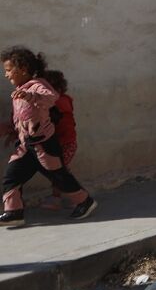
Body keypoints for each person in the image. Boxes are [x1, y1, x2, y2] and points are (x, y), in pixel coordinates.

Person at [0, 47, 96, 226]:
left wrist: (31, 95)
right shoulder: (19, 91)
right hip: (26, 146)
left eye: (7, 70)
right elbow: (22, 119)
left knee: (59, 176)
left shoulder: (38, 85)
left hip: (44, 144)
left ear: (23, 68)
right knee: (11, 176)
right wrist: (8, 129)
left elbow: (51, 97)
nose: (6, 75)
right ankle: (14, 212)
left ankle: (84, 201)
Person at [39, 69, 79, 210]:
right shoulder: (60, 100)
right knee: (60, 172)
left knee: (60, 173)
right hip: (63, 142)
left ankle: (74, 198)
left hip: (66, 143)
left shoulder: (60, 102)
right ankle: (71, 197)